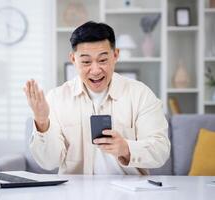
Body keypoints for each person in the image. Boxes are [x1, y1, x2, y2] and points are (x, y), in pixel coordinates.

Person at [23, 21, 170, 175]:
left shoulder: (140, 94)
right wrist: (41, 121)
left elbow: (161, 150)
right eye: (86, 62)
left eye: (102, 60)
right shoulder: (57, 98)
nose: (95, 70)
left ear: (115, 55)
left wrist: (126, 148)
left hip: (129, 192)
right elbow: (49, 162)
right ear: (73, 59)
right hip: (75, 193)